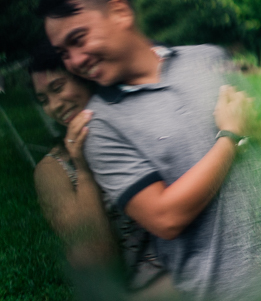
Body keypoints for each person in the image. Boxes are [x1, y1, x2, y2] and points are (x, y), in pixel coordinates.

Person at [38, 0, 261, 301]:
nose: (74, 60)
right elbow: (165, 218)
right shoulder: (102, 127)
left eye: (78, 39)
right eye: (64, 53)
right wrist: (230, 135)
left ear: (120, 12)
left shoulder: (208, 58)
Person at [30, 43, 176, 299]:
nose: (54, 105)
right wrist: (85, 171)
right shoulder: (53, 170)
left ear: (84, 79)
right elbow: (95, 264)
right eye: (44, 100)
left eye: (58, 88)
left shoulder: (140, 120)